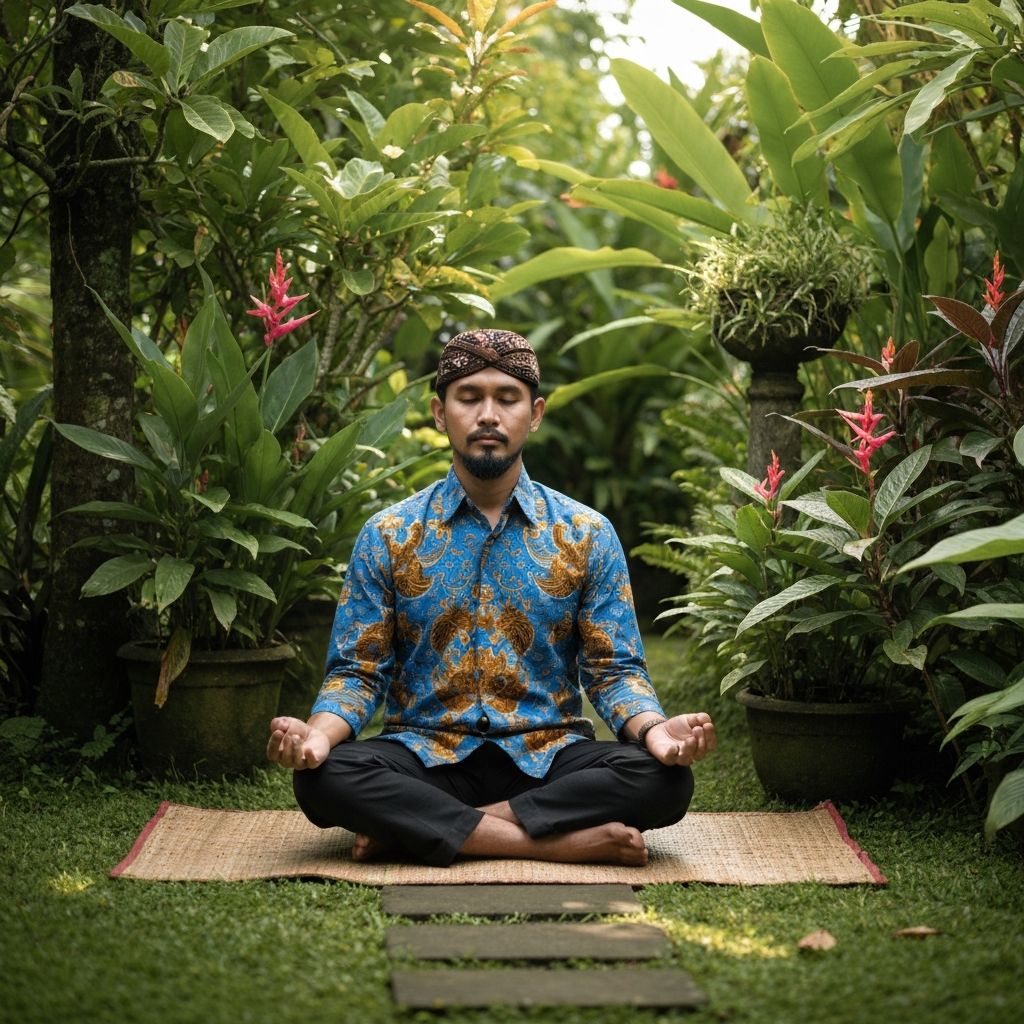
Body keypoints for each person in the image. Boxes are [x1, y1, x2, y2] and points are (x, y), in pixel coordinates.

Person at [267, 328, 716, 867]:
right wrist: (317, 739)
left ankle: (415, 830)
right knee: (324, 780)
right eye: (469, 397)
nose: (487, 415)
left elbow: (613, 670)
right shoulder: (388, 534)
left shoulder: (586, 533)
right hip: (423, 755)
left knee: (663, 780)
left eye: (506, 398)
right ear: (439, 412)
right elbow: (358, 673)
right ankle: (561, 843)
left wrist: (654, 731)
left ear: (536, 412)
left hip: (548, 754)